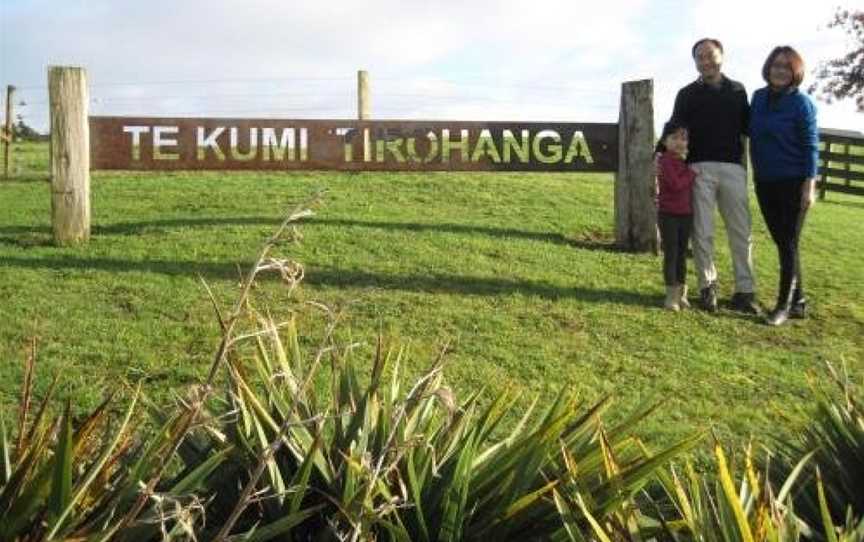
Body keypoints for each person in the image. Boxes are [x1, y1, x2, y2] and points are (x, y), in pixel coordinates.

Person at [661, 38, 759, 314]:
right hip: (699, 169)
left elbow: (750, 127)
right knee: (702, 231)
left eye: (710, 55)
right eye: (699, 57)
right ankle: (708, 286)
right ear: (695, 62)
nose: (705, 61)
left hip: (733, 168)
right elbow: (674, 124)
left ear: (721, 56)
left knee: (741, 231)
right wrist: (657, 153)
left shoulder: (738, 91)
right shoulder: (687, 94)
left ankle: (745, 290)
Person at [749, 46, 818, 326]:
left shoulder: (802, 104)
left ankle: (783, 307)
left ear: (795, 72)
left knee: (788, 243)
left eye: (786, 67)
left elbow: (811, 145)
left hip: (793, 183)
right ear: (768, 68)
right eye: (776, 65)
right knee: (784, 243)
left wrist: (809, 185)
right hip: (764, 181)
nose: (780, 70)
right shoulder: (758, 98)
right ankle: (799, 300)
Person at [656, 121, 696, 311]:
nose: (679, 142)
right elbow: (676, 184)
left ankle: (682, 293)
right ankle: (670, 295)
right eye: (674, 138)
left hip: (686, 215)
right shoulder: (665, 160)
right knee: (671, 253)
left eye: (684, 138)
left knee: (682, 254)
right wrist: (692, 173)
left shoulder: (684, 161)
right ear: (665, 141)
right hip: (668, 215)